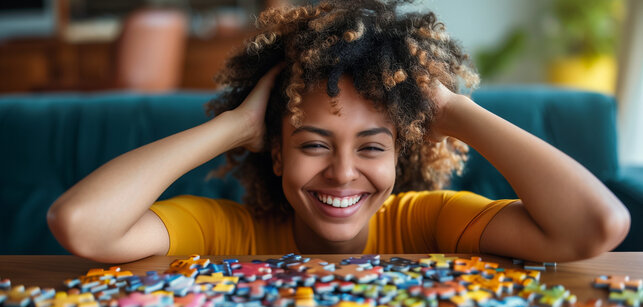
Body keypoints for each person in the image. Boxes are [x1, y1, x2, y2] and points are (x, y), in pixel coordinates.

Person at [47, 0, 630, 264]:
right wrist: (235, 126)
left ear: (402, 152)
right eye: (312, 144)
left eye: (373, 145)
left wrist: (451, 111)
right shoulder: (229, 234)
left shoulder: (430, 222)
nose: (344, 172)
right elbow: (81, 224)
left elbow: (598, 226)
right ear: (276, 153)